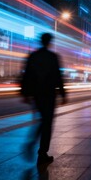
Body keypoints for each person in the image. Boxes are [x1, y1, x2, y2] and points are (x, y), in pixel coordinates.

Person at [21, 33, 67, 166]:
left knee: (42, 120)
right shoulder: (53, 57)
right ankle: (42, 153)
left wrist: (25, 93)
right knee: (47, 123)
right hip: (49, 93)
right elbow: (58, 76)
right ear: (49, 42)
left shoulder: (33, 56)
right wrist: (63, 94)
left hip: (37, 94)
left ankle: (32, 142)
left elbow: (26, 75)